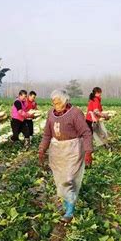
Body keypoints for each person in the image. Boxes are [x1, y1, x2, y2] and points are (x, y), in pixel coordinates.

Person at [39, 89, 93, 223]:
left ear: (65, 101)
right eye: (54, 103)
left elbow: (86, 133)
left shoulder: (75, 113)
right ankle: (67, 202)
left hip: (73, 150)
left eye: (58, 103)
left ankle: (69, 211)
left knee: (69, 179)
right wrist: (42, 150)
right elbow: (47, 134)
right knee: (60, 179)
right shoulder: (51, 115)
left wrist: (88, 152)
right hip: (58, 151)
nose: (55, 105)